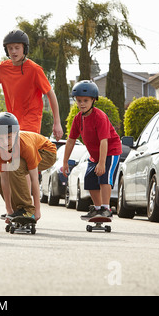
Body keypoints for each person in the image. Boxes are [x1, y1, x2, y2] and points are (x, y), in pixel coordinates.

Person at [0, 29, 63, 140]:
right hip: (12, 121)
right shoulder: (3, 67)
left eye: (17, 48)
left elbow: (51, 94)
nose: (13, 51)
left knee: (25, 151)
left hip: (31, 121)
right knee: (12, 154)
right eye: (10, 48)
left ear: (24, 49)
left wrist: (57, 123)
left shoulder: (34, 70)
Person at [61, 80, 122, 218]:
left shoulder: (99, 117)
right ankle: (98, 208)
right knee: (89, 179)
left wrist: (101, 163)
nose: (82, 103)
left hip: (110, 151)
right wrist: (65, 162)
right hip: (95, 155)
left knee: (104, 177)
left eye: (85, 100)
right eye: (79, 100)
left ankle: (106, 209)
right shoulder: (78, 119)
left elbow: (104, 141)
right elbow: (71, 141)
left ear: (93, 100)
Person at [0, 112, 57, 221]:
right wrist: (9, 210)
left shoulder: (25, 145)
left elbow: (34, 179)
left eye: (9, 137)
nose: (5, 142)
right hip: (26, 155)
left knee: (15, 166)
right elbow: (4, 180)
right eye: (0, 139)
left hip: (47, 152)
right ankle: (18, 210)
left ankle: (27, 210)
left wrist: (37, 210)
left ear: (16, 134)